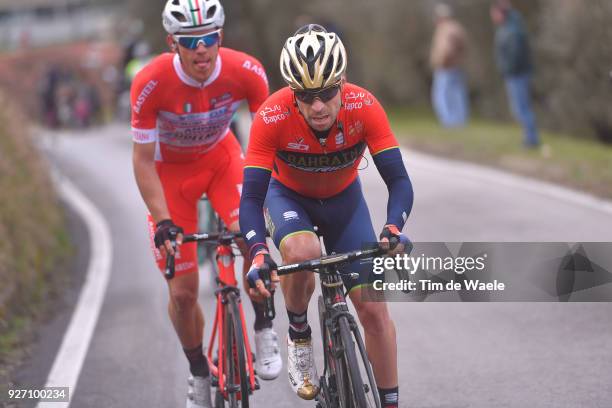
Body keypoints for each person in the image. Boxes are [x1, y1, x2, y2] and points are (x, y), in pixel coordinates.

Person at [240, 24, 414, 408]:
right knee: (301, 252)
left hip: (344, 203)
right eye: (305, 96)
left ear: (343, 83)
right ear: (292, 93)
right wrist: (257, 252)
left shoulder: (364, 106)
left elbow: (398, 180)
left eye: (327, 94)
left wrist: (393, 228)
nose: (317, 106)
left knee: (374, 309)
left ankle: (390, 402)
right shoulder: (271, 116)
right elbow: (251, 197)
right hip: (287, 199)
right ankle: (299, 332)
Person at [130, 1, 282, 407]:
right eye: (190, 41)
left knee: (252, 243)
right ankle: (198, 370)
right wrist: (163, 221)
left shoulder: (245, 70)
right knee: (182, 294)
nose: (201, 49)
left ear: (221, 37)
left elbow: (266, 141)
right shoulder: (150, 82)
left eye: (209, 38)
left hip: (222, 161)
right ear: (173, 44)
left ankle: (265, 325)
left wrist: (265, 194)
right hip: (171, 175)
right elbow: (143, 162)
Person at [491, 0, 540, 147]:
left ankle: (531, 139)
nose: (492, 16)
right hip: (515, 74)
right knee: (520, 108)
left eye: (494, 13)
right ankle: (529, 138)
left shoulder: (513, 29)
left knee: (522, 108)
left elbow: (515, 54)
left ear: (501, 13)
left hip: (517, 75)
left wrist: (507, 69)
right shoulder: (509, 26)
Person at [430, 2, 469, 127]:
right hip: (456, 66)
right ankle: (460, 120)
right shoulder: (457, 27)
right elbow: (464, 46)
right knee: (457, 94)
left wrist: (441, 61)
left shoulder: (445, 29)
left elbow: (446, 49)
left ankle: (449, 122)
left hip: (445, 67)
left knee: (441, 95)